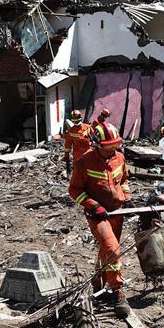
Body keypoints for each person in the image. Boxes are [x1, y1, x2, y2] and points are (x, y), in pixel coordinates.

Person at [69, 122, 132, 316]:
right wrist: (92, 205)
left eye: (116, 145)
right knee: (112, 248)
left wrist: (127, 198)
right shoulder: (84, 162)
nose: (113, 149)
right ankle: (118, 291)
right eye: (108, 146)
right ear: (97, 144)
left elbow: (124, 180)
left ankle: (98, 282)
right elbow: (74, 190)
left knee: (107, 249)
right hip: (96, 215)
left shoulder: (119, 158)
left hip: (116, 212)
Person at [62, 109, 92, 175]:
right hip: (78, 154)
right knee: (79, 171)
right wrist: (66, 155)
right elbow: (68, 144)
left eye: (77, 118)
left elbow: (94, 137)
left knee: (88, 171)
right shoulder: (71, 131)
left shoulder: (87, 127)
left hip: (87, 152)